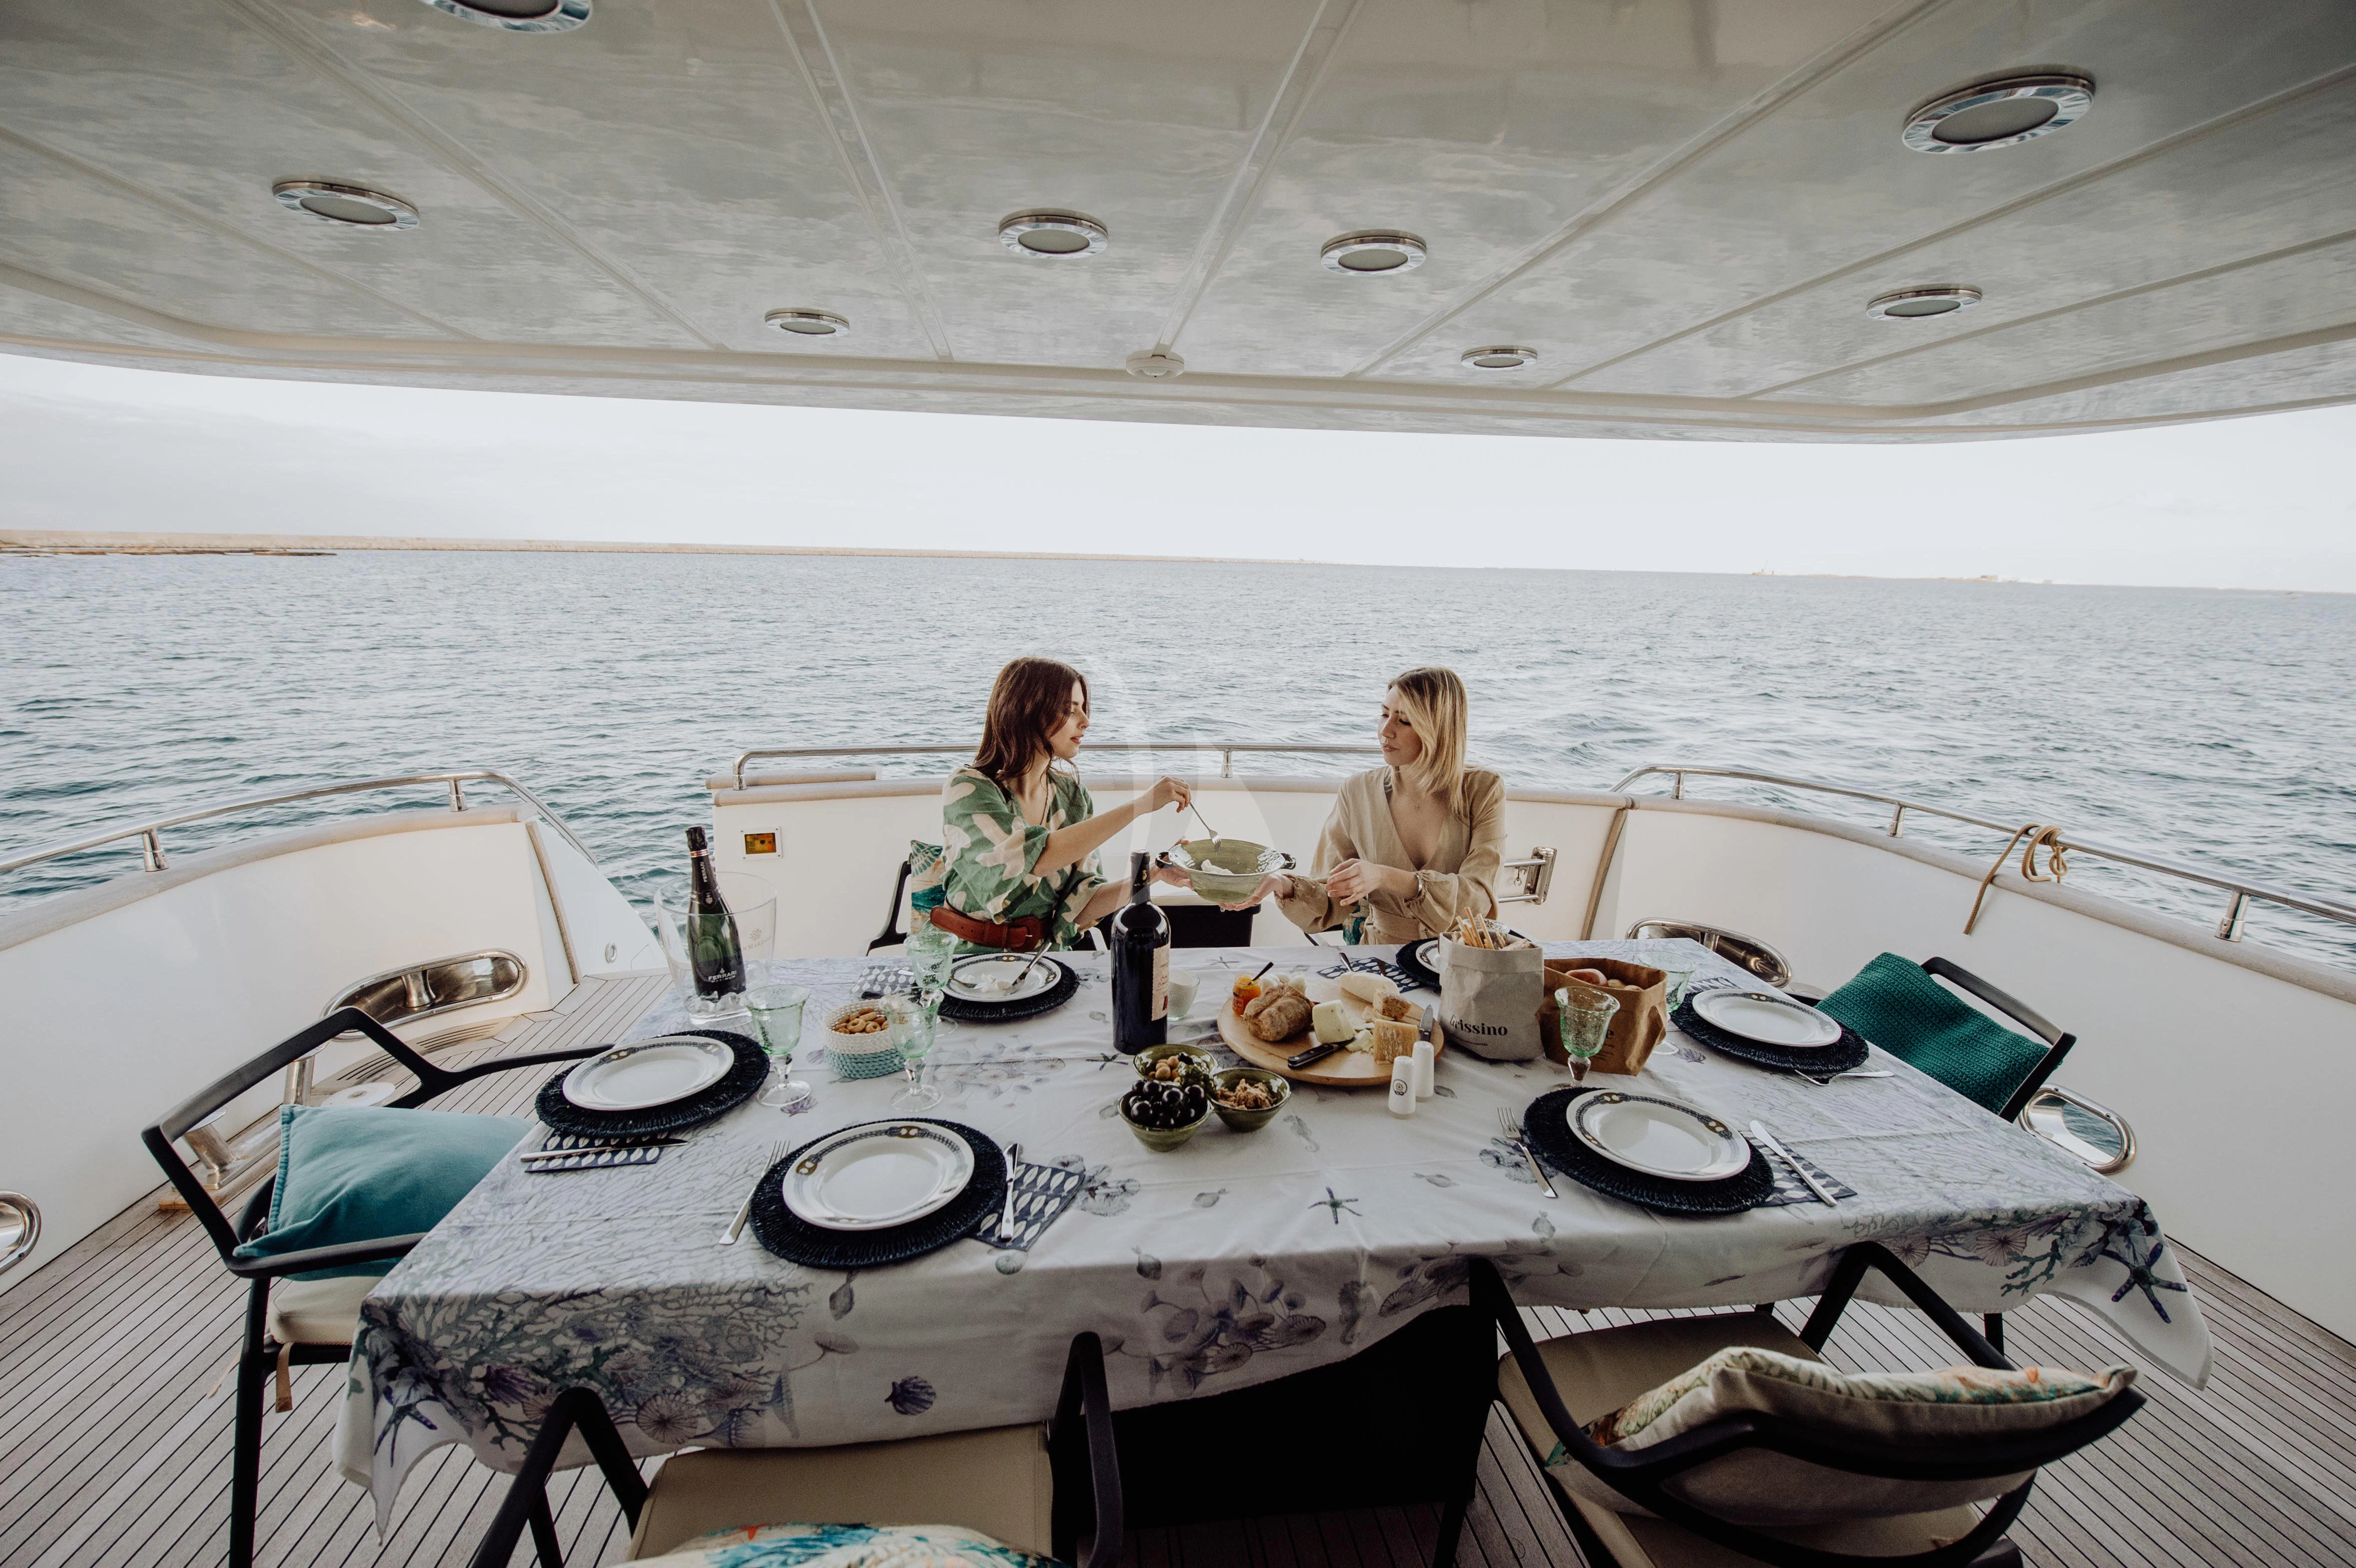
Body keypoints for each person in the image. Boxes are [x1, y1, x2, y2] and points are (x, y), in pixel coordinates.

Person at [1226, 666, 1505, 943]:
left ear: (1440, 729)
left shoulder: (1483, 789)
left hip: (1461, 955)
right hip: (1379, 958)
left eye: (1404, 721)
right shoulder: (1356, 792)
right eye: (1384, 714)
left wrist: (1385, 876)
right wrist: (1284, 885)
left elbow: (1479, 898)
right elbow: (1332, 898)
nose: (1386, 731)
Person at [936, 657, 1192, 952]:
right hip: (965, 959)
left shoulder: (1073, 797)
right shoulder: (968, 789)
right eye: (1070, 710)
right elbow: (1036, 859)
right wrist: (1142, 805)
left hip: (1045, 961)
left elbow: (1082, 905)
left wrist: (1154, 873)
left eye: (1083, 708)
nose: (1086, 721)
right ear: (1027, 712)